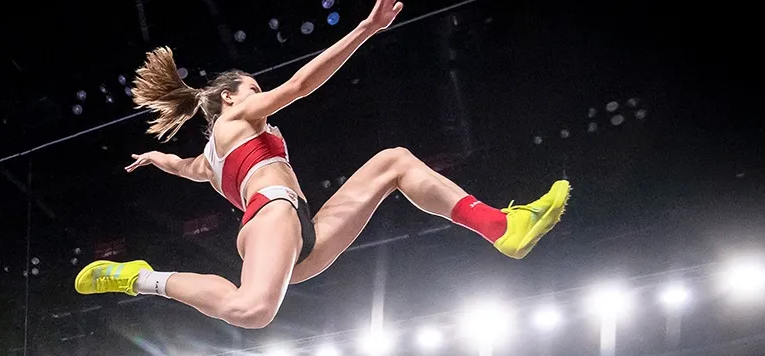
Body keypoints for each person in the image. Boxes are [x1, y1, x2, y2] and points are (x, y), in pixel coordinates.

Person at [73, 0, 570, 329]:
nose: (257, 92)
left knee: (393, 161)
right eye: (250, 86)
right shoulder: (240, 115)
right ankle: (139, 277)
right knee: (251, 310)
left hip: (298, 236)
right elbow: (301, 86)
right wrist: (365, 29)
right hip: (271, 219)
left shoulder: (211, 157)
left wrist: (161, 159)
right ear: (227, 100)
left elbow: (186, 168)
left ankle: (501, 225)